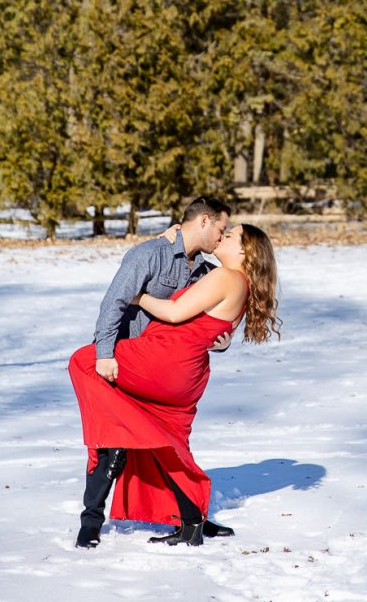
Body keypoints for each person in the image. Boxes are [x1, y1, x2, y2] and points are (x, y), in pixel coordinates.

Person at [69, 221, 281, 548]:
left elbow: (173, 312)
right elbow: (212, 327)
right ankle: (192, 520)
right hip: (188, 375)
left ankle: (120, 437)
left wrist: (137, 295)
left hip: (164, 361)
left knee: (83, 361)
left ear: (244, 250)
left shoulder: (226, 277)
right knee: (170, 447)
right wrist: (172, 238)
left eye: (230, 234)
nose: (223, 236)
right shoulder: (239, 283)